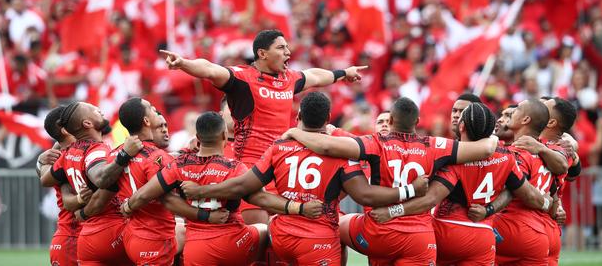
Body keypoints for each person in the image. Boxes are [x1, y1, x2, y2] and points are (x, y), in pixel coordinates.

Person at [180, 93, 427, 265]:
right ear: (329, 118)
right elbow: (363, 194)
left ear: (298, 116)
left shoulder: (279, 146)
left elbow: (246, 188)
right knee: (340, 227)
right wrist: (407, 191)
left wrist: (200, 191)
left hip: (280, 237)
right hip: (318, 239)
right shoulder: (343, 151)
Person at [160, 29, 366, 224]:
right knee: (259, 232)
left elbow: (315, 76)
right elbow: (210, 69)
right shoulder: (243, 79)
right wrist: (183, 63)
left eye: (287, 47)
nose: (288, 52)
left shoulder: (289, 79)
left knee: (288, 235)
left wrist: (344, 73)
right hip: (251, 170)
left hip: (280, 168)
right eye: (281, 48)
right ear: (262, 53)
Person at [281, 96, 498, 264]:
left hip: (378, 232)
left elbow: (326, 146)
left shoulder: (375, 143)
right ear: (418, 122)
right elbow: (487, 148)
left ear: (392, 120)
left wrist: (294, 132)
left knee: (333, 225)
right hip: (420, 239)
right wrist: (495, 135)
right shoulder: (435, 145)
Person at [123, 111, 326, 265]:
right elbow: (261, 199)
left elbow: (144, 194)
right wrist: (298, 208)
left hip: (197, 250)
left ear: (198, 137)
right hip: (234, 244)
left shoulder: (178, 164)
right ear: (223, 135)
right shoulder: (236, 167)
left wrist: (127, 207)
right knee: (267, 231)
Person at [369, 103, 551, 265]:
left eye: (459, 114)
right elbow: (523, 192)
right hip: (484, 237)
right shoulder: (506, 156)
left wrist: (391, 211)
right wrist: (549, 204)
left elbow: (430, 199)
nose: (455, 117)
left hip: (447, 232)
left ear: (462, 126)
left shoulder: (453, 160)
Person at [39, 102, 143, 265]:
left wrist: (40, 162)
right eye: (94, 110)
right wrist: (124, 156)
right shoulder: (95, 150)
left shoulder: (66, 155)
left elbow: (47, 181)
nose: (100, 111)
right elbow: (99, 179)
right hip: (94, 231)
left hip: (82, 235)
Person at [108, 98, 178, 265]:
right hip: (155, 235)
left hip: (132, 233)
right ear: (146, 121)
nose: (156, 111)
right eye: (152, 109)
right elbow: (168, 199)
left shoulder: (115, 154)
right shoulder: (158, 157)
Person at [489, 99, 559, 265]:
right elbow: (554, 192)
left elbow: (515, 189)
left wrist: (487, 211)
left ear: (526, 120)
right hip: (543, 231)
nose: (512, 112)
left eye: (517, 109)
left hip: (514, 228)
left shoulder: (518, 152)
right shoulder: (547, 153)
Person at [36, 106, 92, 265]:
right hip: (72, 237)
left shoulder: (72, 152)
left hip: (83, 236)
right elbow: (66, 199)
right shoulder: (68, 157)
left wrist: (40, 162)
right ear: (67, 129)